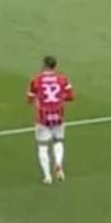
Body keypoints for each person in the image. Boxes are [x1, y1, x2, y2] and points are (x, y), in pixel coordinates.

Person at [27, 56, 75, 185]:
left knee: (42, 146)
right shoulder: (62, 79)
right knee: (58, 141)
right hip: (58, 115)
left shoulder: (36, 80)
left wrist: (37, 101)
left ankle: (47, 176)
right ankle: (58, 163)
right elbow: (71, 96)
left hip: (43, 117)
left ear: (44, 65)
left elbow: (30, 99)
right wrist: (61, 98)